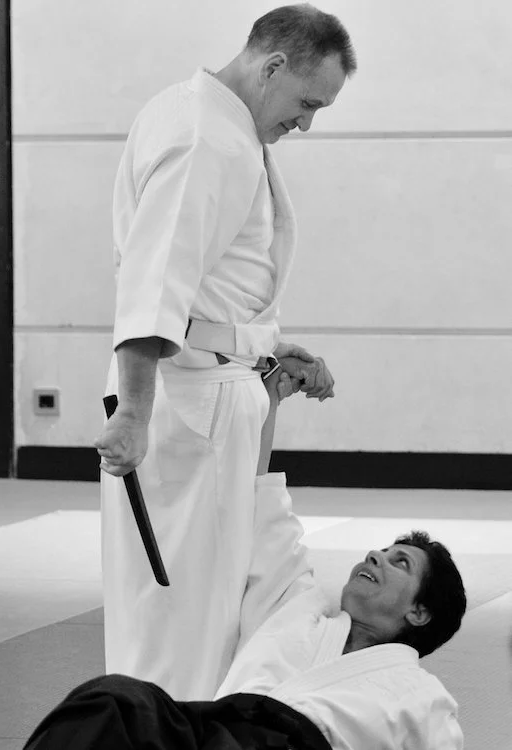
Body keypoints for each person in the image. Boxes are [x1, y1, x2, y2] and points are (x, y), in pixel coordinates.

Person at [96, 4, 353, 700]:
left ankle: (166, 730)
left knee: (197, 611)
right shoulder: (206, 138)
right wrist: (134, 411)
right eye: (307, 103)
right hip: (185, 407)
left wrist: (257, 345)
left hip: (203, 387)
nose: (306, 124)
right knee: (183, 621)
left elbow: (207, 282)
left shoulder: (204, 119)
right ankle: (162, 735)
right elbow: (155, 281)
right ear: (272, 66)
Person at [26, 367, 467, 749]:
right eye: (384, 551)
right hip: (217, 727)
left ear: (420, 612)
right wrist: (269, 397)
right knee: (111, 703)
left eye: (400, 562)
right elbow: (265, 508)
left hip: (294, 740)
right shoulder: (300, 604)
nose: (375, 555)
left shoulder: (423, 697)